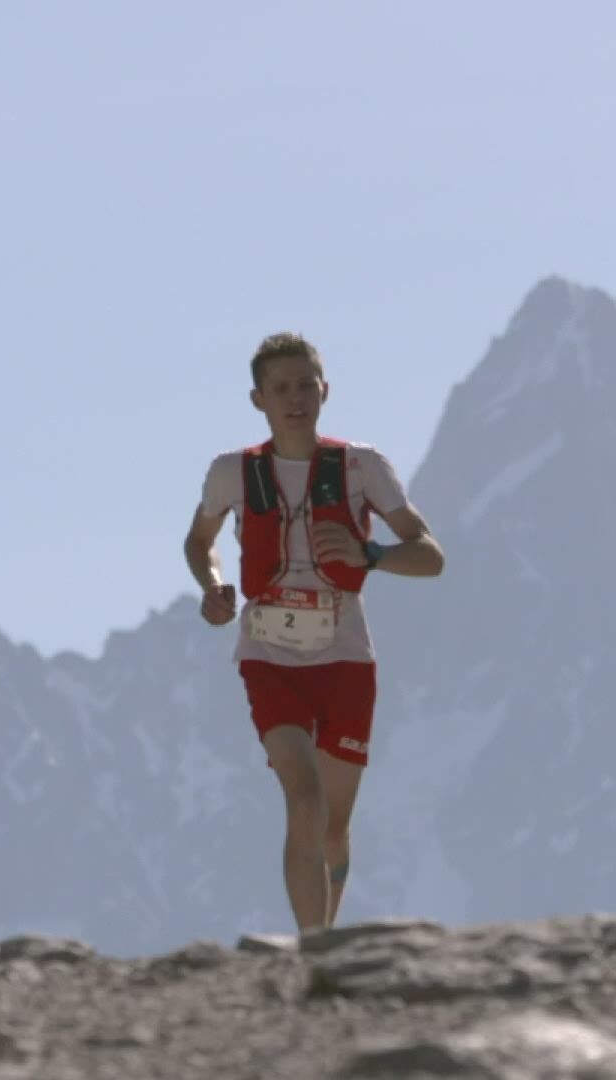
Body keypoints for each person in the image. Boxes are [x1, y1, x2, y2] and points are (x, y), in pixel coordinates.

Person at [184, 332, 445, 934]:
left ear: (325, 391)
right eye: (280, 388)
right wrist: (214, 587)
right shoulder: (232, 472)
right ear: (258, 400)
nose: (295, 398)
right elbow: (199, 542)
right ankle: (313, 948)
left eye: (305, 385)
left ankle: (326, 940)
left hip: (345, 658)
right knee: (304, 801)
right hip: (268, 655)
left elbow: (430, 556)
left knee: (333, 824)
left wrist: (371, 553)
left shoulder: (361, 467)